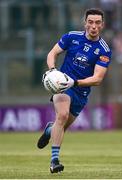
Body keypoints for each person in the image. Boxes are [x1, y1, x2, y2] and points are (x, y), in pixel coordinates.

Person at [37, 8, 112, 173]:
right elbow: (52, 53)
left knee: (61, 126)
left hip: (80, 91)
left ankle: (50, 129)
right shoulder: (72, 37)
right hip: (62, 86)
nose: (94, 26)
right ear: (85, 23)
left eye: (97, 22)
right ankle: (54, 161)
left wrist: (75, 83)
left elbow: (97, 79)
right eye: (90, 22)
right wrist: (52, 71)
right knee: (62, 116)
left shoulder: (104, 49)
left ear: (102, 24)